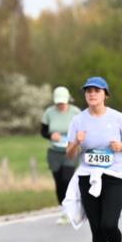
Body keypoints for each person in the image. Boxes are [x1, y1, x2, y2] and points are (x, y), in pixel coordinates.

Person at [64, 77, 122, 242]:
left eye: (96, 90)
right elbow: (69, 155)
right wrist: (77, 141)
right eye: (88, 91)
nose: (92, 94)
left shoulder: (118, 117)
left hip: (113, 176)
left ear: (105, 94)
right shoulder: (78, 120)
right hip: (87, 177)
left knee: (109, 224)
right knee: (96, 228)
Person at [41, 86, 81, 224]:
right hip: (54, 152)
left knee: (67, 179)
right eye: (58, 103)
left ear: (68, 100)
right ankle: (64, 210)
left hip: (71, 151)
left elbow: (83, 131)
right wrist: (52, 135)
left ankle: (72, 209)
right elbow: (43, 132)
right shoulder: (49, 113)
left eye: (63, 103)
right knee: (59, 182)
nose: (60, 105)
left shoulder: (75, 112)